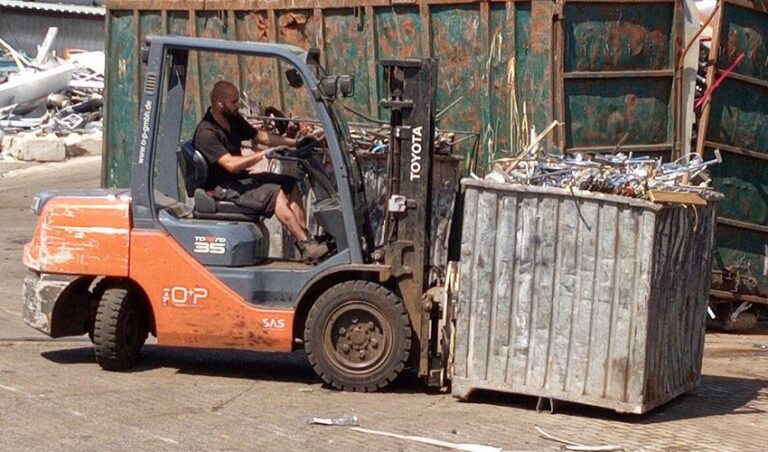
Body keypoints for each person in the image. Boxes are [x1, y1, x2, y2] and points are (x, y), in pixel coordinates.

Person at [193, 80, 328, 262]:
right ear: (219, 103)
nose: (237, 105)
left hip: (239, 180)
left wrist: (296, 142)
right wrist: (262, 155)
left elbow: (260, 137)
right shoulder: (206, 133)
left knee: (289, 183)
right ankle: (305, 243)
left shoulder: (232, 119)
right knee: (275, 193)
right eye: (233, 101)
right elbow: (231, 164)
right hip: (222, 187)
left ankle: (306, 240)